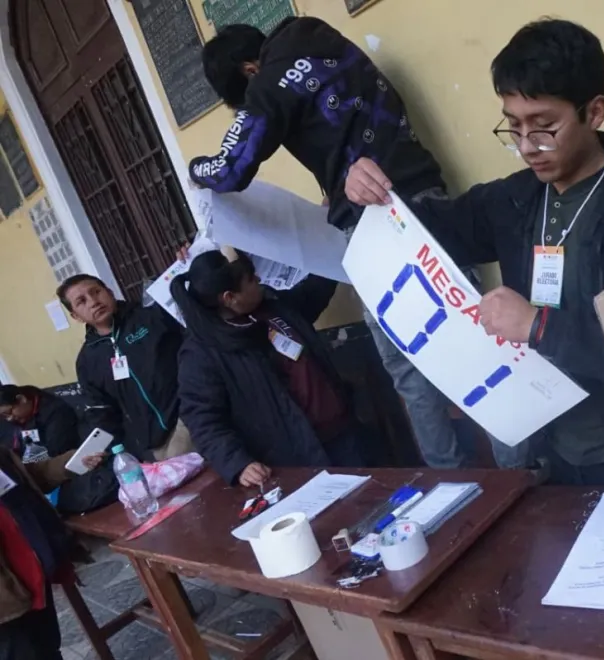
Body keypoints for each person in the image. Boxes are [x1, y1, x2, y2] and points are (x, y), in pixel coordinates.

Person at [344, 19, 604, 486]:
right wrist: (374, 190)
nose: (529, 147)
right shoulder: (519, 199)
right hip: (546, 450)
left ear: (594, 112)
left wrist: (537, 325)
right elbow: (437, 227)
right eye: (514, 128)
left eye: (545, 127)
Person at [188, 15, 474, 471]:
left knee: (407, 364)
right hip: (425, 192)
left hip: (376, 222)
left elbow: (228, 169)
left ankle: (456, 479)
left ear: (248, 70)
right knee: (476, 331)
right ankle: (526, 473)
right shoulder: (322, 38)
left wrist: (194, 171)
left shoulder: (267, 80)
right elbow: (341, 126)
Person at [171, 250, 369, 486]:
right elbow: (202, 418)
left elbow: (312, 294)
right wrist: (237, 463)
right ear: (230, 298)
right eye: (252, 281)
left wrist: (334, 252)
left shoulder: (272, 305)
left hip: (343, 433)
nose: (260, 282)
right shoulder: (201, 354)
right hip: (297, 458)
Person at [57, 274, 191, 462]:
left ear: (109, 292)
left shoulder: (150, 316)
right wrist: (102, 451)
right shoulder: (88, 361)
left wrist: (186, 262)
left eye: (96, 292)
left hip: (190, 415)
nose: (94, 302)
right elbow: (102, 412)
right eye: (81, 301)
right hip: (154, 443)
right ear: (76, 316)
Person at [0, 445, 104, 660]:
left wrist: (72, 462)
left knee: (48, 648)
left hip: (31, 573)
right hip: (5, 602)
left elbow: (27, 478)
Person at [0, 385, 117, 514]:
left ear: (21, 399)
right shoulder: (9, 424)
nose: (9, 419)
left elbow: (44, 468)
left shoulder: (54, 411)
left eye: (8, 413)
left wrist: (76, 458)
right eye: (4, 416)